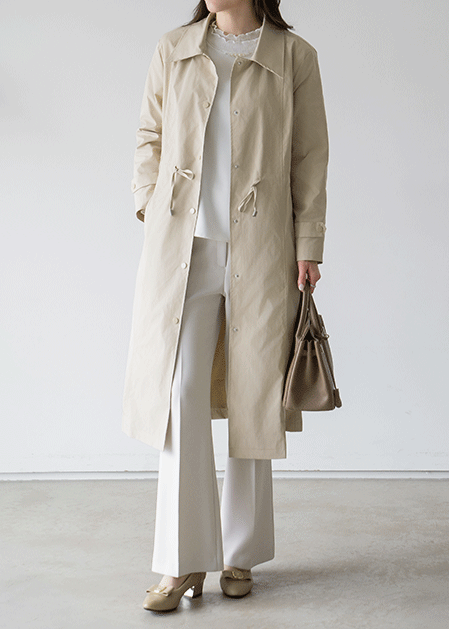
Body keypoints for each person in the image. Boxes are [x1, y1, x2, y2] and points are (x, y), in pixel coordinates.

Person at [122, 0, 329, 612]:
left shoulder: (294, 56)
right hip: (184, 245)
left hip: (263, 245)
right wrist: (149, 203)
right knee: (180, 391)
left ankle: (242, 552)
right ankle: (181, 561)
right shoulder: (175, 48)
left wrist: (309, 243)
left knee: (254, 392)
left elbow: (309, 156)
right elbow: (150, 133)